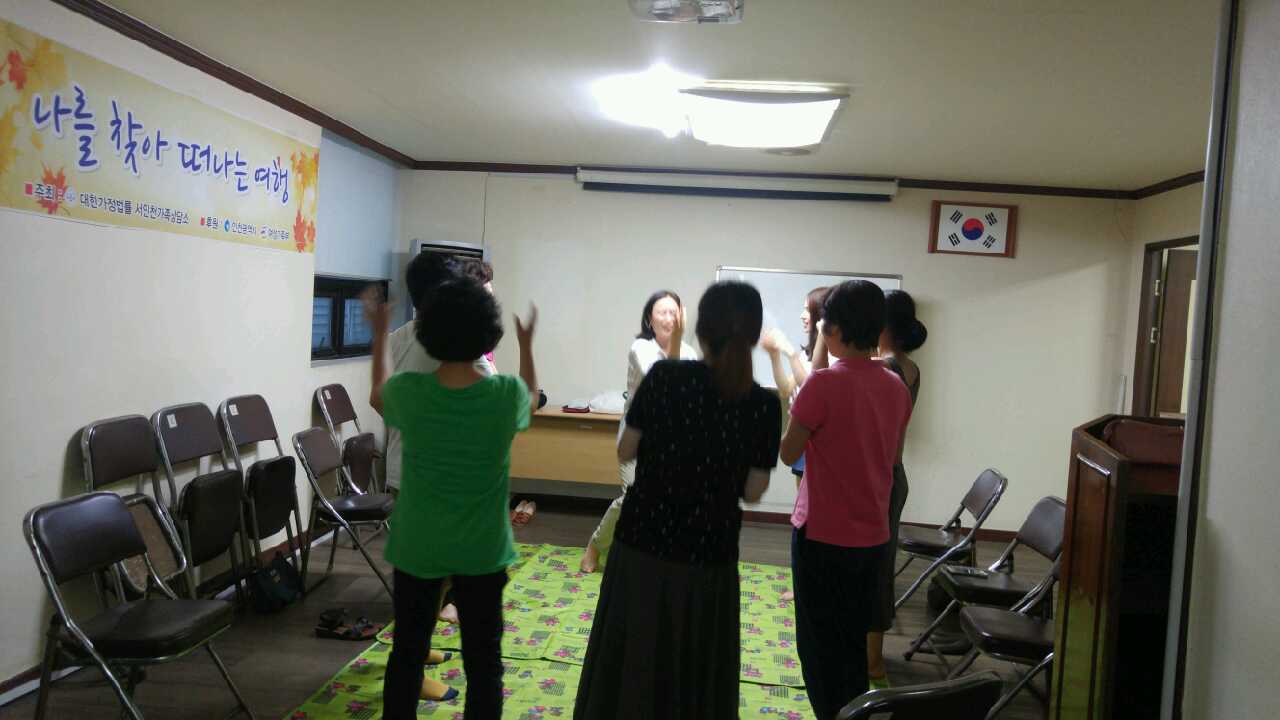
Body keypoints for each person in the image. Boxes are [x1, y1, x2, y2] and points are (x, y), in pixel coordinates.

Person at [574, 281, 781, 720]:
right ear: (752, 334)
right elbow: (753, 492)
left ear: (700, 329)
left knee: (632, 664)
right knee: (695, 672)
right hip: (709, 555)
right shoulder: (763, 404)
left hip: (643, 544)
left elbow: (626, 450)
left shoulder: (665, 378)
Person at [367, 277, 539, 720]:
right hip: (483, 549)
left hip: (418, 545)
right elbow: (531, 397)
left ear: (428, 333)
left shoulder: (411, 391)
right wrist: (527, 346)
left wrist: (379, 336)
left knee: (407, 651)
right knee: (484, 662)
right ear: (489, 333)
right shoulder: (505, 394)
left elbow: (377, 395)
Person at [780, 280, 912, 720]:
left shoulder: (821, 386)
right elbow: (893, 457)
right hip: (872, 534)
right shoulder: (896, 386)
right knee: (852, 639)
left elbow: (789, 454)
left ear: (832, 329)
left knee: (818, 643)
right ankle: (854, 712)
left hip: (821, 534)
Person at [580, 290, 699, 573]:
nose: (669, 318)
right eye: (662, 312)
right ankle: (595, 545)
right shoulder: (641, 349)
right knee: (633, 495)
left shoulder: (690, 354)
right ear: (650, 319)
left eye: (674, 312)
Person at [866, 289, 926, 689]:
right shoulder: (910, 366)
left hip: (881, 478)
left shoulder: (885, 368)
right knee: (879, 567)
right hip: (894, 475)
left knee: (874, 570)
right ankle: (871, 658)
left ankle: (873, 663)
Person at [761, 286, 829, 601]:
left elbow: (812, 385)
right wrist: (776, 356)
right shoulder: (807, 351)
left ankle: (809, 584)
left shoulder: (830, 354)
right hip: (802, 441)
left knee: (814, 518)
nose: (803, 315)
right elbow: (787, 388)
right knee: (804, 515)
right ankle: (804, 582)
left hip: (818, 444)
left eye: (808, 309)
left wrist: (787, 351)